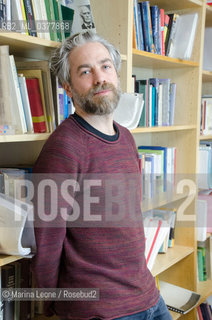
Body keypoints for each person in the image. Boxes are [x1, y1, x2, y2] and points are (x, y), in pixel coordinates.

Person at [32, 31, 172, 320]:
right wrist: (52, 304)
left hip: (147, 296)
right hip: (101, 310)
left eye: (105, 66)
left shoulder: (127, 138)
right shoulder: (64, 147)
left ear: (117, 74)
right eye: (86, 71)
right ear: (68, 88)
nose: (99, 78)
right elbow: (47, 241)